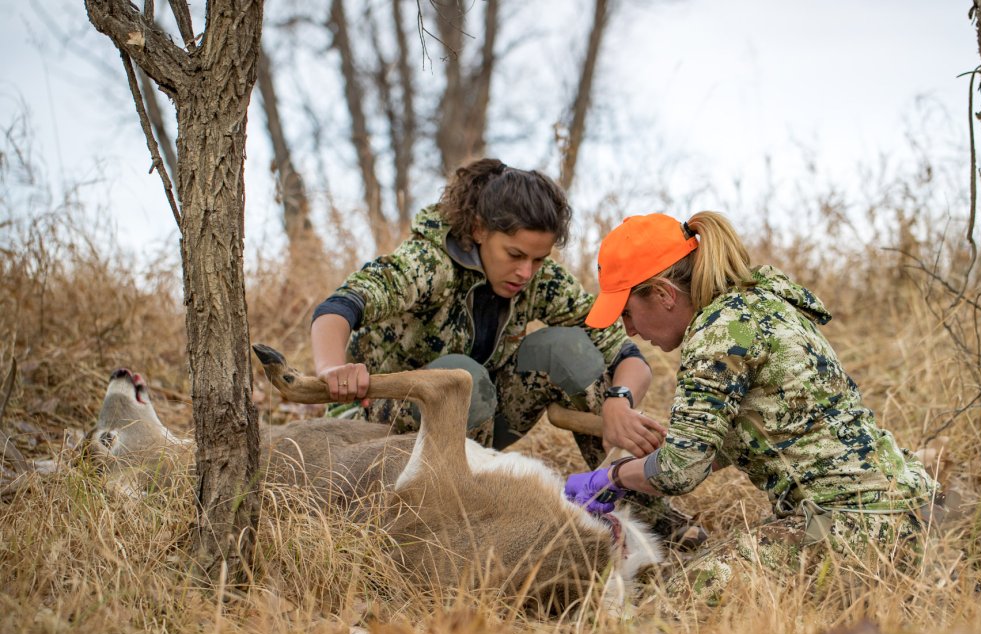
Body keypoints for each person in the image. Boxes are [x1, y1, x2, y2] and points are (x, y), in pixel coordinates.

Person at [310, 158, 677, 516]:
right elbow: (339, 306)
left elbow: (625, 353)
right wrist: (332, 369)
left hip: (479, 423)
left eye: (537, 259)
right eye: (515, 254)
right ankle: (467, 518)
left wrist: (620, 401)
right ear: (479, 229)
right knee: (461, 377)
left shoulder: (541, 278)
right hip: (383, 433)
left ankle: (647, 514)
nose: (525, 272)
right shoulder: (428, 263)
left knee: (567, 349)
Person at [563, 211, 942, 550]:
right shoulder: (756, 304)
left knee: (696, 597)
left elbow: (681, 471)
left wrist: (609, 477)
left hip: (858, 522)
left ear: (663, 294)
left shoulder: (718, 333)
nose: (628, 329)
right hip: (906, 505)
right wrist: (673, 449)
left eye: (628, 313)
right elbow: (764, 427)